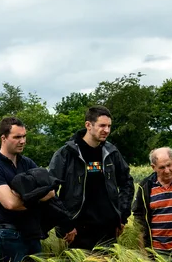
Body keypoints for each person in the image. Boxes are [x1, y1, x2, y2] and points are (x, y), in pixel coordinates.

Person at [48, 105, 133, 251]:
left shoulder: (111, 152)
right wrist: (65, 224)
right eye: (102, 125)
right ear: (88, 125)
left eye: (109, 126)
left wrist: (122, 217)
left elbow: (127, 183)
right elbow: (50, 191)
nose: (106, 130)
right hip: (76, 231)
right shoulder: (67, 154)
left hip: (108, 230)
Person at [0, 117, 57, 262]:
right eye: (17, 137)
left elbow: (51, 191)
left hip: (31, 232)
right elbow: (10, 203)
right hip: (8, 235)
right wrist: (37, 198)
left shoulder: (27, 163)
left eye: (24, 136)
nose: (22, 141)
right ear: (3, 138)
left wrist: (25, 197)